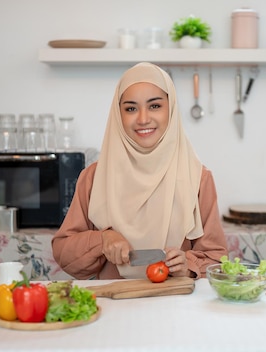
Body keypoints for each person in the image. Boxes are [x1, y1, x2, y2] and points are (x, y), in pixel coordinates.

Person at [52, 62, 228, 280]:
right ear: (118, 115)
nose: (143, 119)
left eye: (154, 106)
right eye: (131, 108)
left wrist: (188, 266)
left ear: (171, 109)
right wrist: (102, 240)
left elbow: (217, 260)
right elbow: (64, 254)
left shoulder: (198, 178)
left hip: (176, 306)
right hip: (113, 306)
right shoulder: (94, 178)